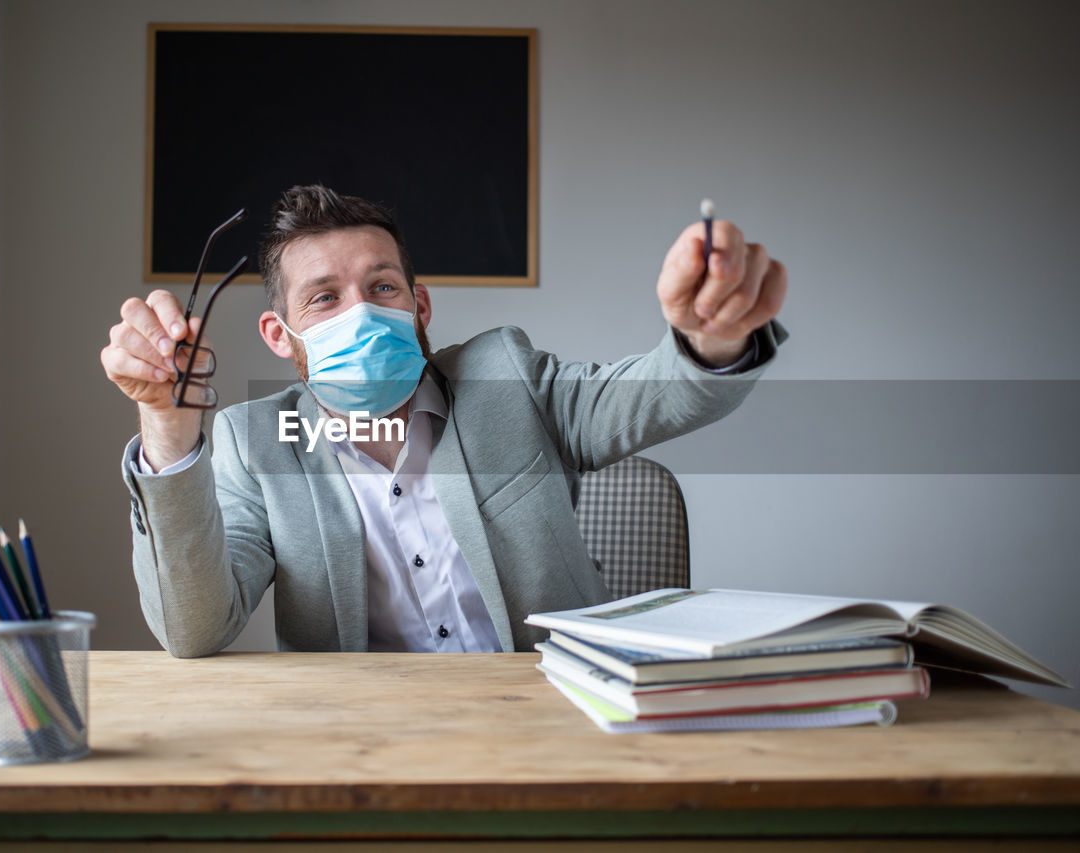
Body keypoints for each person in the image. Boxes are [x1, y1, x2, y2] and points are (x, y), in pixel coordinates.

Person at [101, 185, 787, 656]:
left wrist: (709, 339)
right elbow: (193, 629)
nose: (361, 313)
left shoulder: (507, 379)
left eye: (382, 287)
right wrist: (165, 426)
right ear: (280, 336)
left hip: (553, 724)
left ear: (419, 305)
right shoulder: (255, 445)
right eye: (324, 299)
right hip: (365, 752)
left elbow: (656, 395)